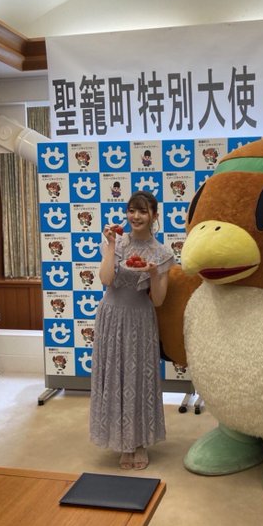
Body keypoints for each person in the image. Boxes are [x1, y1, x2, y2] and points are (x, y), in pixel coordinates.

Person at [90, 190, 175, 469]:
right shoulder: (117, 242)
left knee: (138, 378)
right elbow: (106, 279)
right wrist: (111, 245)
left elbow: (159, 300)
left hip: (141, 318)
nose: (135, 216)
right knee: (115, 376)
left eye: (142, 211)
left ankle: (138, 443)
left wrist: (153, 272)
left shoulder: (162, 253)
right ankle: (121, 442)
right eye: (131, 210)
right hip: (111, 316)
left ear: (154, 216)